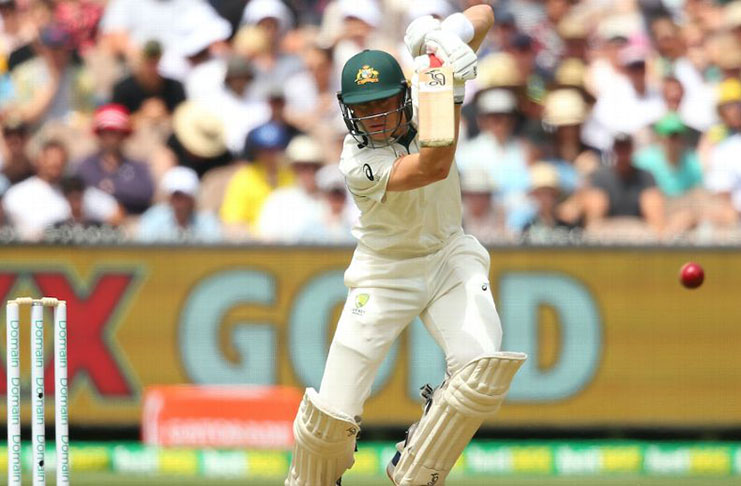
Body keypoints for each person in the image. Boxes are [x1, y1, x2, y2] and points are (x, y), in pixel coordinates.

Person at [284, 6, 527, 486]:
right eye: (362, 108)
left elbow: (486, 13)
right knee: (328, 421)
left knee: (481, 371)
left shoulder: (425, 94)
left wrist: (445, 36)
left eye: (381, 104)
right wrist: (451, 85)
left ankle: (417, 468)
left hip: (447, 257)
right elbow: (434, 165)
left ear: (403, 95)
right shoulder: (357, 162)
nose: (373, 118)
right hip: (384, 272)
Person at [2, 139, 120, 240]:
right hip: (32, 258)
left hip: (71, 256)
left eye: (60, 161)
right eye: (50, 160)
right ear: (38, 161)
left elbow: (115, 213)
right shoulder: (18, 194)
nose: (56, 164)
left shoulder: (76, 190)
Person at [75, 104, 155, 215]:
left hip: (132, 223)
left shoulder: (138, 167)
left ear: (124, 135)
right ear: (99, 134)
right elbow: (77, 193)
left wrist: (113, 187)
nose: (110, 138)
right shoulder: (86, 165)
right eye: (106, 132)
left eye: (115, 132)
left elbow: (145, 192)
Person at [136, 166, 222, 243]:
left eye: (184, 196)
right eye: (175, 195)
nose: (179, 201)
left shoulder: (207, 222)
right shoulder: (154, 218)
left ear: (192, 198)